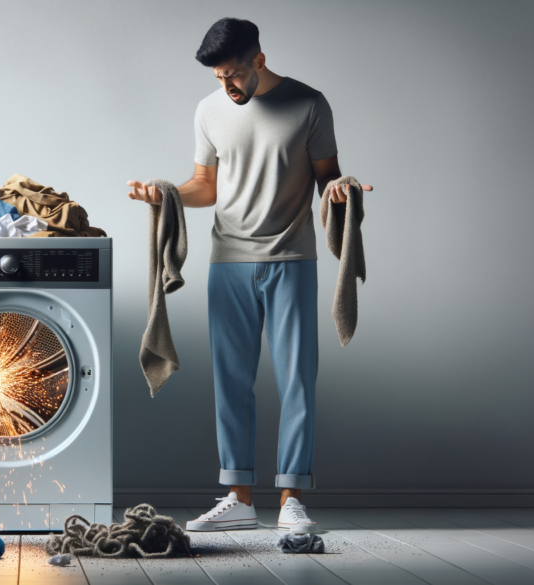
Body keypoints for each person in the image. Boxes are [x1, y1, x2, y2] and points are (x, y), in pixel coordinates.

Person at [127, 17, 373, 534]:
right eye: (218, 77)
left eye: (234, 74)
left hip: (291, 260)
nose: (227, 85)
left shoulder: (309, 104)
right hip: (228, 263)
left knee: (297, 381)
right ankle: (238, 498)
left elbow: (327, 177)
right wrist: (164, 192)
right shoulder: (209, 110)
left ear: (258, 60)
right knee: (232, 382)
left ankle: (291, 500)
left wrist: (340, 191)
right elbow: (205, 185)